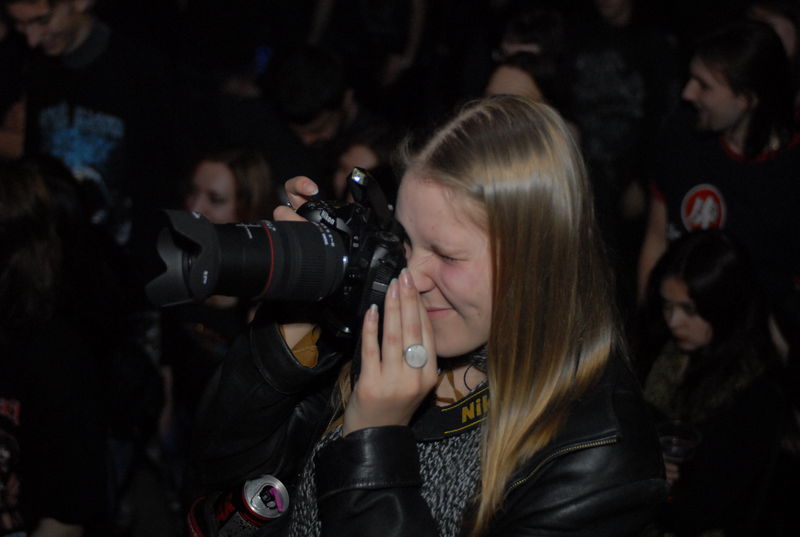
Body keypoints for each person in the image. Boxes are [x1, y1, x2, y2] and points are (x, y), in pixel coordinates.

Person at [185, 95, 667, 537]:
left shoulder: (601, 454)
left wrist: (374, 439)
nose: (410, 276)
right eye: (408, 240)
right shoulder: (384, 323)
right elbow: (226, 473)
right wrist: (289, 337)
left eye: (449, 255)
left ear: (537, 262)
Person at [636, 20, 800, 352]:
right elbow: (656, 237)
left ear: (747, 99)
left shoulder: (790, 172)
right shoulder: (681, 135)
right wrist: (644, 325)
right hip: (672, 336)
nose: (688, 93)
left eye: (704, 85)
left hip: (751, 353)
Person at [635, 230, 785, 537]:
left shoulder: (753, 394)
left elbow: (702, 511)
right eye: (667, 305)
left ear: (723, 305)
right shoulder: (659, 349)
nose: (673, 320)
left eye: (690, 310)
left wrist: (647, 473)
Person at [2, 0, 177, 247]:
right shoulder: (38, 69)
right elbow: (35, 164)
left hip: (129, 258)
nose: (32, 39)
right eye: (20, 25)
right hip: (61, 252)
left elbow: (163, 176)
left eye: (42, 20)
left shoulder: (140, 69)